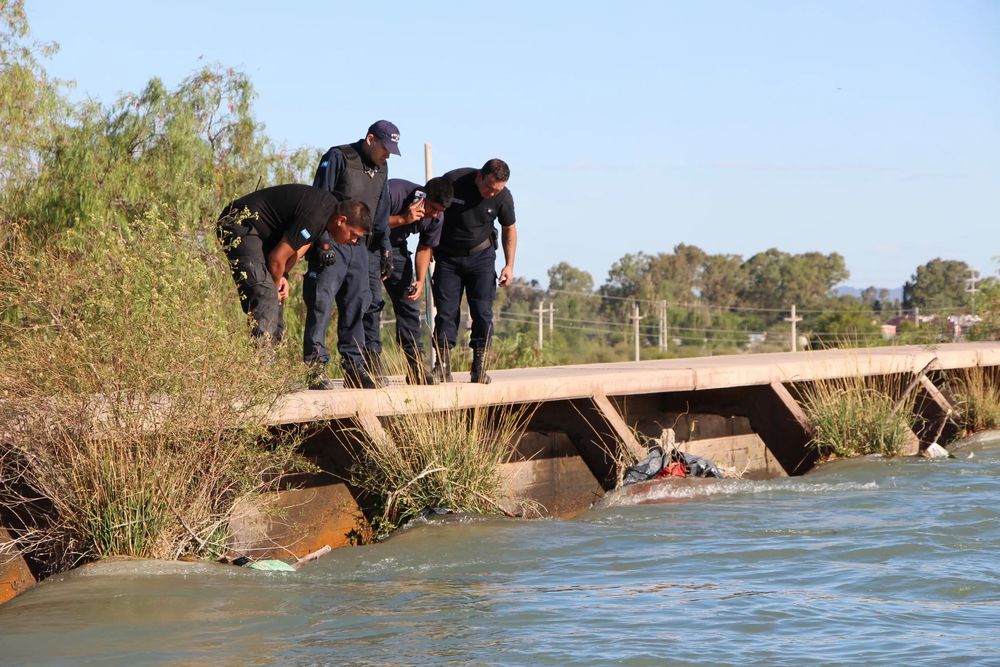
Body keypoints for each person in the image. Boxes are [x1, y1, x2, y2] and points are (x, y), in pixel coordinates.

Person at [216, 184, 371, 354]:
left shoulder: (327, 213)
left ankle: (271, 362)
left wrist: (283, 275)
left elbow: (298, 247)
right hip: (240, 223)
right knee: (266, 293)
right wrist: (275, 286)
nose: (354, 241)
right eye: (354, 235)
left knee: (275, 299)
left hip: (261, 236)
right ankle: (260, 365)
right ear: (341, 220)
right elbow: (276, 259)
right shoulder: (316, 217)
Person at [305, 120, 399, 389]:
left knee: (358, 305)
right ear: (370, 139)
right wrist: (323, 241)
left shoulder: (382, 168)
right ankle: (315, 368)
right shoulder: (339, 157)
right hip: (332, 241)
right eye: (385, 147)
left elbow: (381, 212)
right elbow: (318, 200)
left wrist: (385, 247)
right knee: (321, 304)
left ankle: (354, 368)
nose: (388, 154)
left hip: (361, 247)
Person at [432, 159, 516, 384]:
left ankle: (479, 367)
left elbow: (509, 228)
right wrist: (429, 245)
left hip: (481, 257)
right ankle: (442, 365)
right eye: (489, 187)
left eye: (497, 190)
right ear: (480, 176)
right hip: (448, 257)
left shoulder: (503, 197)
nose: (491, 193)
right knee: (446, 312)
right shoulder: (453, 181)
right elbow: (433, 211)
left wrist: (509, 264)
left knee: (482, 312)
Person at [385, 176, 454, 384]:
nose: (434, 214)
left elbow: (425, 248)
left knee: (409, 306)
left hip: (397, 249)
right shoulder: (394, 192)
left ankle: (415, 365)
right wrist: (403, 219)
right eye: (432, 208)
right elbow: (369, 223)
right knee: (367, 303)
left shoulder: (437, 217)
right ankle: (366, 364)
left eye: (440, 211)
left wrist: (421, 280)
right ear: (422, 196)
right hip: (368, 245)